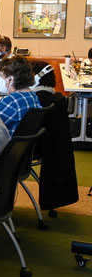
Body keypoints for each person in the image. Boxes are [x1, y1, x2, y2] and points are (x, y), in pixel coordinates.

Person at [27, 60, 79, 211]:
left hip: (29, 149)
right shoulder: (52, 97)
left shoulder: (37, 100)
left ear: (35, 79)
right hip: (42, 148)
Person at [0, 55, 41, 135]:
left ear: (10, 80)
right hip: (23, 146)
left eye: (2, 77)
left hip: (3, 145)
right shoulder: (34, 97)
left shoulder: (11, 101)